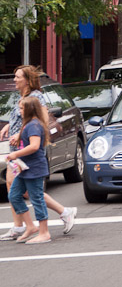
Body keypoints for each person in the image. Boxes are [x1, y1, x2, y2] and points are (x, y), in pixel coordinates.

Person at [0, 66, 77, 241]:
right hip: (19, 152)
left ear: (28, 80)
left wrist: (19, 134)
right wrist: (9, 126)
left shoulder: (36, 98)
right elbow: (20, 118)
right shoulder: (22, 97)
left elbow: (41, 121)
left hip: (28, 154)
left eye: (17, 77)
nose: (14, 79)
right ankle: (26, 225)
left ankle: (32, 226)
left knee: (27, 191)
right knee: (19, 190)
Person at [5, 97, 53, 243]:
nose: (19, 111)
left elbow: (34, 146)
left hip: (34, 168)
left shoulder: (34, 125)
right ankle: (31, 226)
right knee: (14, 195)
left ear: (30, 109)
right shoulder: (28, 124)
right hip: (25, 168)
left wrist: (15, 154)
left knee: (37, 198)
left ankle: (44, 232)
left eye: (22, 108)